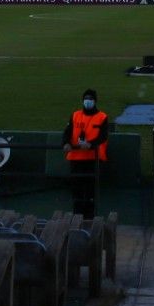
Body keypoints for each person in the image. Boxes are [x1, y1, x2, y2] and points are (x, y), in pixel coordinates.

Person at [62, 87, 109, 217]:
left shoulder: (102, 117)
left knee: (89, 189)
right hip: (75, 157)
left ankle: (89, 217)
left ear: (95, 101)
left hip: (91, 157)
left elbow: (103, 136)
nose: (88, 101)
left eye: (90, 99)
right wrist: (65, 143)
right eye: (86, 99)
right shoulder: (75, 115)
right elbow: (67, 132)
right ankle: (77, 215)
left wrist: (90, 144)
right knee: (76, 188)